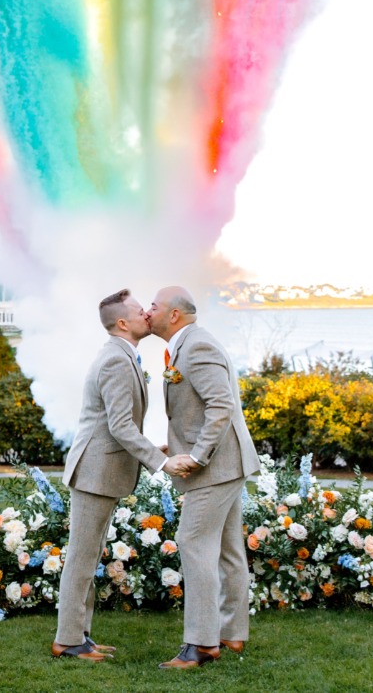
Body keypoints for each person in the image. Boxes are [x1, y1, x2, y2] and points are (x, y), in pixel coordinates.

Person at [52, 289, 194, 662]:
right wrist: (160, 462)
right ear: (122, 323)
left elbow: (121, 424)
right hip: (94, 473)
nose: (147, 314)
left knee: (88, 555)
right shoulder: (116, 360)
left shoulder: (124, 355)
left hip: (102, 471)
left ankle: (80, 635)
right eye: (138, 311)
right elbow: (118, 426)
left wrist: (154, 448)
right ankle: (67, 640)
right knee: (82, 558)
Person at [146, 285, 258, 670]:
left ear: (174, 314)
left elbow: (221, 404)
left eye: (154, 306)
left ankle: (201, 644)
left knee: (192, 542)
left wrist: (195, 456)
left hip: (215, 467)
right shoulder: (185, 345)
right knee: (227, 550)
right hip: (226, 464)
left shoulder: (196, 346)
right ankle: (232, 633)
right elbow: (194, 409)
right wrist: (173, 444)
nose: (148, 311)